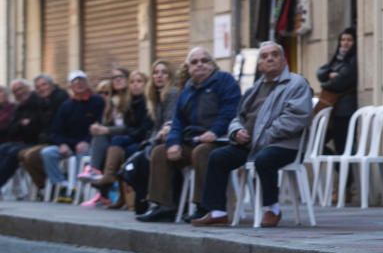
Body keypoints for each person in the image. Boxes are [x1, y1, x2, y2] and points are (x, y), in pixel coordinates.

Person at [194, 42, 313, 227]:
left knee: (264, 159)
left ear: (283, 59)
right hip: (251, 144)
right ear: (259, 65)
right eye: (264, 57)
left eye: (274, 54)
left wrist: (263, 136)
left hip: (283, 144)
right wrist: (236, 132)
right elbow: (238, 117)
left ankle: (272, 209)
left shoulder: (296, 83)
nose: (270, 59)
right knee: (217, 157)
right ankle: (217, 211)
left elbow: (296, 118)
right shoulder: (255, 88)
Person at [138, 47, 241, 223]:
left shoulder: (225, 81)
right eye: (194, 62)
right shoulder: (187, 89)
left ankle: (203, 207)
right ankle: (164, 206)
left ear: (212, 64)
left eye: (204, 60)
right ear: (188, 68)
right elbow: (178, 121)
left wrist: (214, 131)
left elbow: (230, 111)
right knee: (161, 152)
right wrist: (174, 142)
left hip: (220, 140)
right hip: (192, 139)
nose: (199, 65)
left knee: (201, 152)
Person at [81, 70, 151, 208]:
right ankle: (106, 184)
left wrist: (107, 130)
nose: (135, 85)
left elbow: (136, 128)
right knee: (105, 141)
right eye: (133, 82)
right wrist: (99, 127)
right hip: (124, 137)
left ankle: (108, 180)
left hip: (139, 138)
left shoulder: (141, 101)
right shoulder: (114, 102)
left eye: (139, 81)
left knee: (121, 146)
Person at [121, 61, 179, 215]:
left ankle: (150, 202)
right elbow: (156, 128)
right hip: (159, 140)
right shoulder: (156, 97)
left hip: (170, 140)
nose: (159, 76)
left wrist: (153, 140)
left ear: (170, 76)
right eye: (156, 72)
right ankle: (144, 200)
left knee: (143, 156)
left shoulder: (172, 93)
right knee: (139, 156)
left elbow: (169, 123)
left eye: (164, 72)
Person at [38, 71, 105, 202]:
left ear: (87, 83)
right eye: (75, 82)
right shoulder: (66, 105)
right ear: (71, 86)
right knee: (47, 153)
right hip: (69, 144)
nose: (78, 84)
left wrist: (87, 141)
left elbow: (101, 125)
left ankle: (75, 189)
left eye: (81, 81)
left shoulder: (97, 101)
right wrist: (62, 144)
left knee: (84, 152)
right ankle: (62, 185)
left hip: (88, 144)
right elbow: (55, 131)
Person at [316, 27, 358, 203]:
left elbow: (340, 81)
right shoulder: (338, 59)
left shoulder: (354, 60)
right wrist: (330, 76)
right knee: (317, 144)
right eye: (342, 40)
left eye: (348, 40)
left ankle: (345, 188)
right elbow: (321, 72)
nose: (345, 44)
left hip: (344, 112)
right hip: (331, 112)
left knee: (343, 149)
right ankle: (343, 186)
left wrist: (331, 78)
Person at [17, 74, 70, 191]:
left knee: (30, 156)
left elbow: (57, 126)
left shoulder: (60, 99)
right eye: (38, 87)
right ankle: (45, 185)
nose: (41, 89)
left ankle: (49, 185)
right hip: (46, 140)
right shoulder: (43, 101)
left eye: (44, 85)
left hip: (58, 141)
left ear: (51, 85)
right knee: (21, 154)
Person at [0, 79, 34, 191]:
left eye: (1, 92)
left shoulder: (14, 107)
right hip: (12, 141)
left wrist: (19, 125)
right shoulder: (20, 107)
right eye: (16, 91)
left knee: (10, 151)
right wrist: (20, 124)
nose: (19, 92)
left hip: (25, 141)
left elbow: (10, 128)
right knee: (4, 149)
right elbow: (12, 128)